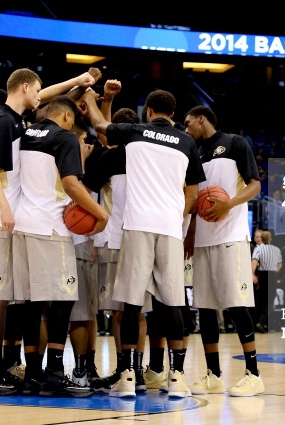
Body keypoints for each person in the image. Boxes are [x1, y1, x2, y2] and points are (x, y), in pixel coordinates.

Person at [0, 68, 97, 395]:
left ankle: (9, 368)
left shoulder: (22, 124)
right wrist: (5, 208)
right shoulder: (3, 121)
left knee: (18, 300)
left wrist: (77, 82)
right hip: (4, 220)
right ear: (24, 87)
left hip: (17, 222)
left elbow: (47, 100)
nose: (40, 95)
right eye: (36, 89)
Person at [81, 89, 205, 399]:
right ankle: (176, 378)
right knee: (172, 302)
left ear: (148, 111)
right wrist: (177, 218)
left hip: (138, 225)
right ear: (173, 115)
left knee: (132, 303)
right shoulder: (187, 141)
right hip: (170, 227)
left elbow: (99, 125)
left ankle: (126, 379)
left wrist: (90, 98)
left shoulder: (136, 133)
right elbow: (193, 192)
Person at [13, 95, 107, 397]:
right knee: (64, 298)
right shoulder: (65, 137)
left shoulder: (24, 131)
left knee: (32, 302)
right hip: (52, 225)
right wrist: (100, 213)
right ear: (67, 117)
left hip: (22, 224)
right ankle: (54, 372)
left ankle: (32, 375)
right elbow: (70, 184)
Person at [183, 105, 263, 397]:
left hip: (231, 235)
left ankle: (253, 374)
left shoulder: (234, 143)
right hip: (204, 238)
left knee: (236, 304)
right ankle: (213, 374)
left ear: (202, 118)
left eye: (188, 122)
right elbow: (196, 200)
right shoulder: (196, 152)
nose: (186, 127)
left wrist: (229, 203)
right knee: (205, 307)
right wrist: (191, 235)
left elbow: (255, 186)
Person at [251, 229, 282, 334]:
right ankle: (261, 322)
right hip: (272, 275)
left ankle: (255, 323)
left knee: (260, 301)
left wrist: (252, 273)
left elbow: (254, 262)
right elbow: (280, 264)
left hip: (262, 275)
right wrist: (274, 271)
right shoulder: (277, 249)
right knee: (270, 301)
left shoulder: (258, 249)